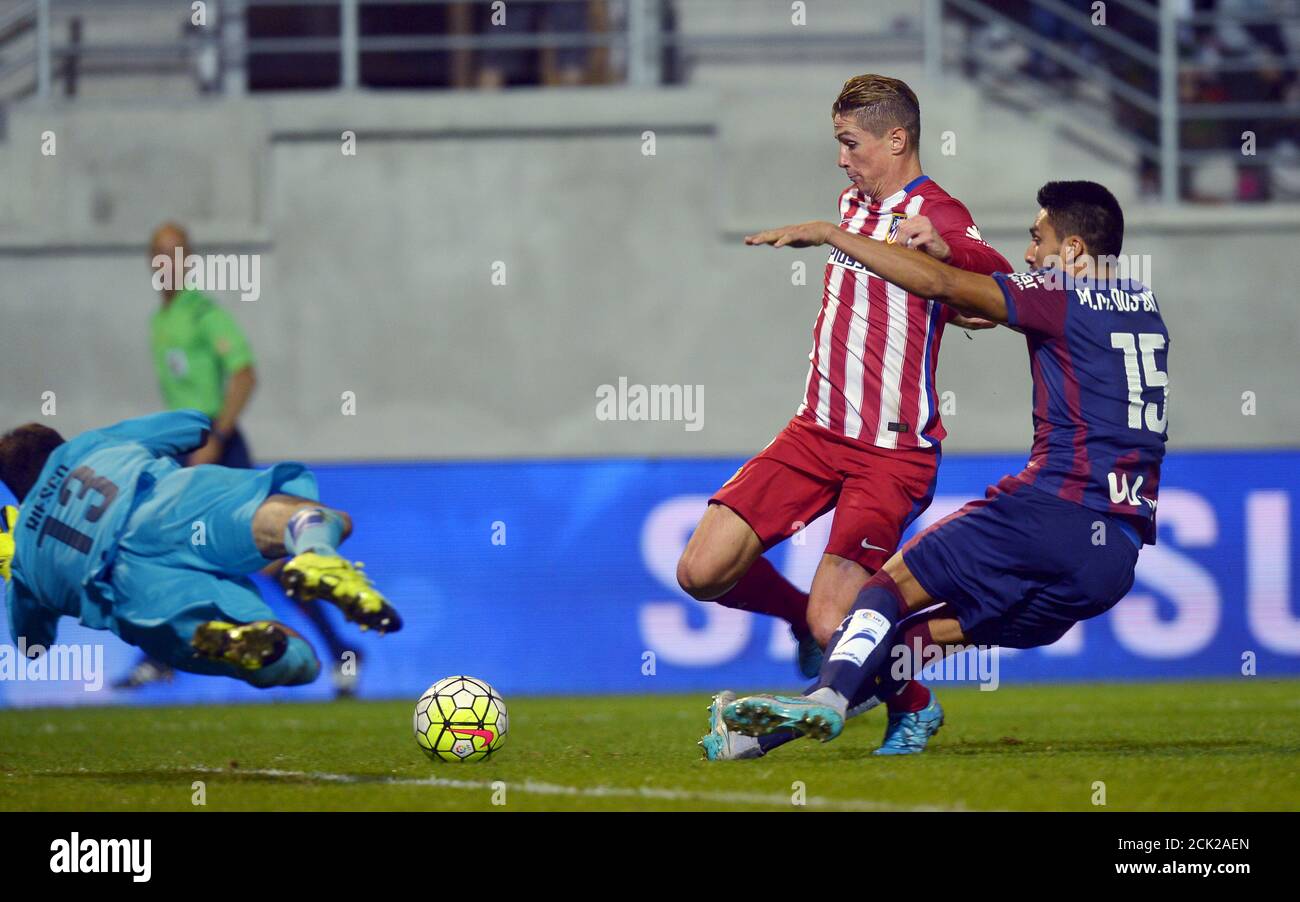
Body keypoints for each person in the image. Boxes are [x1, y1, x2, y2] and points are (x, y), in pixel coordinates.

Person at [714, 180, 1167, 757]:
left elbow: (943, 287)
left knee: (886, 587)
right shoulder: (1146, 310)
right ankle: (753, 743)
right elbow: (973, 301)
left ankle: (827, 699)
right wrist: (955, 267)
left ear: (1075, 250)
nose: (1030, 254)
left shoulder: (1061, 295)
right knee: (907, 644)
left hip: (1053, 510)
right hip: (1114, 557)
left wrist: (835, 236)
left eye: (1038, 238)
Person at [677, 75, 1010, 759]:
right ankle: (796, 619)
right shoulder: (854, 203)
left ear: (897, 139)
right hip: (814, 432)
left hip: (890, 454)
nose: (841, 157)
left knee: (840, 621)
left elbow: (997, 279)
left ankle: (913, 708)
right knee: (701, 571)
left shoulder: (937, 213)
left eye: (849, 142)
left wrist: (953, 258)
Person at [119, 223, 356, 695]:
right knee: (184, 548)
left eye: (177, 254)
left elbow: (244, 375)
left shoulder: (204, 314)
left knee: (260, 558)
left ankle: (341, 652)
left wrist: (218, 435)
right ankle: (160, 656)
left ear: (189, 261)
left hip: (219, 446)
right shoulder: (159, 320)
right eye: (159, 254)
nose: (167, 263)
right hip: (190, 449)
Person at [0, 410, 401, 689]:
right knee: (310, 517)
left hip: (136, 592)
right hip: (171, 509)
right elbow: (193, 426)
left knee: (300, 663)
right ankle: (317, 554)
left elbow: (32, 645)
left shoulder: (27, 558)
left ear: (16, 490)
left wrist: (12, 572)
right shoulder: (94, 446)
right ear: (59, 448)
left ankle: (231, 642)